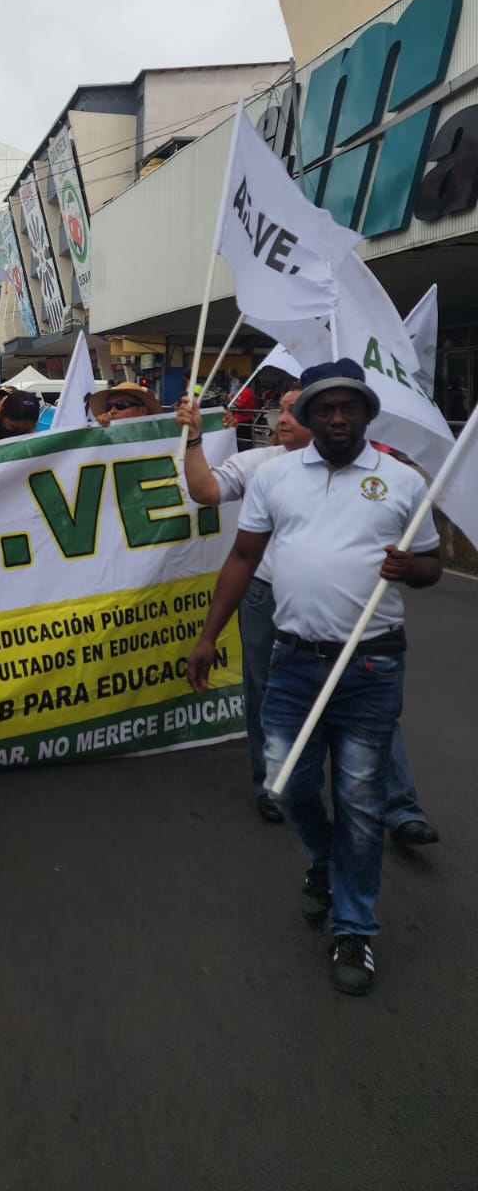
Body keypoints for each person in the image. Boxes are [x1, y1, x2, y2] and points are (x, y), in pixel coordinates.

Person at [184, 360, 441, 996]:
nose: (334, 417)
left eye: (346, 407)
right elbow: (244, 557)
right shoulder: (276, 477)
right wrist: (209, 633)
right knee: (287, 783)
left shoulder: (402, 483)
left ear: (365, 413)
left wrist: (414, 569)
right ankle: (326, 862)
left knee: (358, 799)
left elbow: (432, 565)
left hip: (372, 662)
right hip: (295, 660)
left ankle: (354, 927)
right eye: (323, 408)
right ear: (304, 416)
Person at [176, 388, 439, 842]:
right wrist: (194, 440)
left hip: (363, 632)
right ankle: (275, 787)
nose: (283, 418)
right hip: (269, 603)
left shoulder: (387, 476)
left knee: (370, 715)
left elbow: (425, 560)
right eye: (282, 409)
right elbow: (213, 504)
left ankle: (398, 807)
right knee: (270, 698)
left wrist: (410, 566)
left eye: (294, 411)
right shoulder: (264, 469)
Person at [87, 382, 162, 427]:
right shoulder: (103, 438)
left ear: (142, 411)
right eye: (108, 406)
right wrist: (96, 428)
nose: (112, 411)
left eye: (121, 405)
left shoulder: (159, 438)